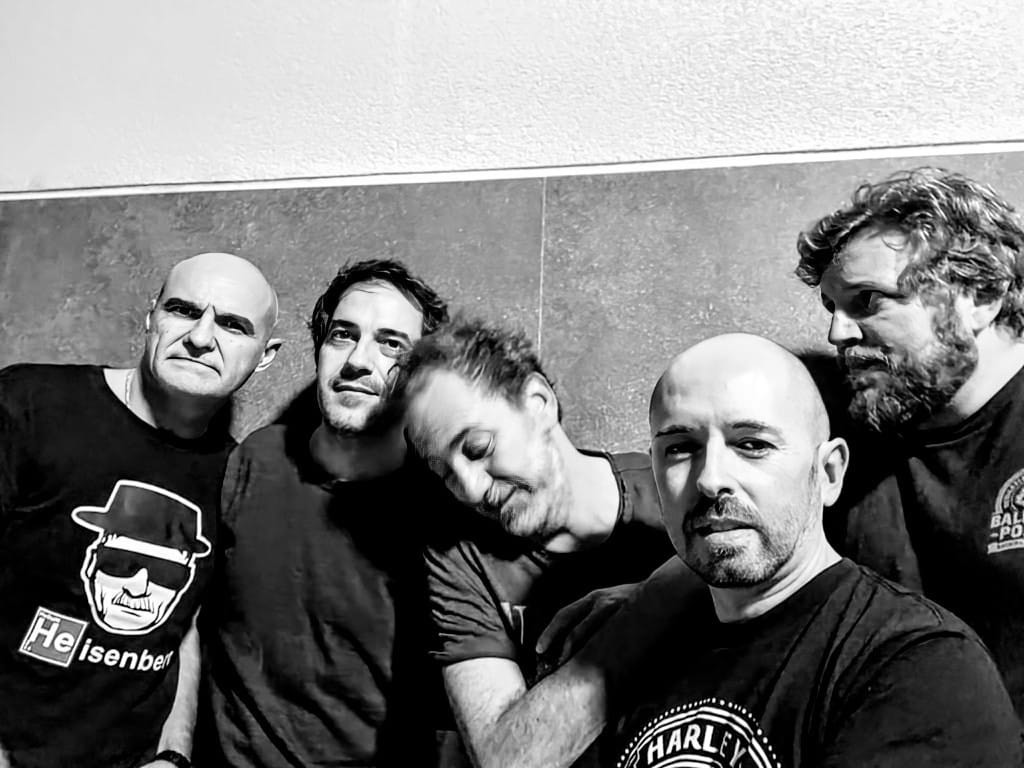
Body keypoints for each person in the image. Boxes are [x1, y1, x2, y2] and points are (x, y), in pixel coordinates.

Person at [611, 332, 1021, 767]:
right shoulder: (633, 658)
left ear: (828, 473)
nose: (710, 479)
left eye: (752, 445)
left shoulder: (919, 665)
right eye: (679, 449)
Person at [0, 252, 281, 768]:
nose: (201, 337)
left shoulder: (235, 473)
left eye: (233, 325)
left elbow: (185, 626)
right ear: (151, 315)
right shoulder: (30, 404)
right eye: (183, 310)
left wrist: (173, 754)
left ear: (265, 355)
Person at [198, 258, 456, 767]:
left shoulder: (442, 509)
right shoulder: (256, 458)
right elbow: (186, 623)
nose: (358, 360)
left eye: (391, 344)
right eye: (343, 335)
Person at [795, 167, 1024, 714]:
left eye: (867, 300)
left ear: (980, 296)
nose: (838, 333)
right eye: (832, 307)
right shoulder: (852, 435)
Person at [398, 318, 672, 768]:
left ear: (538, 403)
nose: (471, 489)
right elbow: (508, 761)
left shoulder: (672, 495)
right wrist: (656, 603)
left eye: (478, 447)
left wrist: (669, 583)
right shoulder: (458, 555)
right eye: (446, 473)